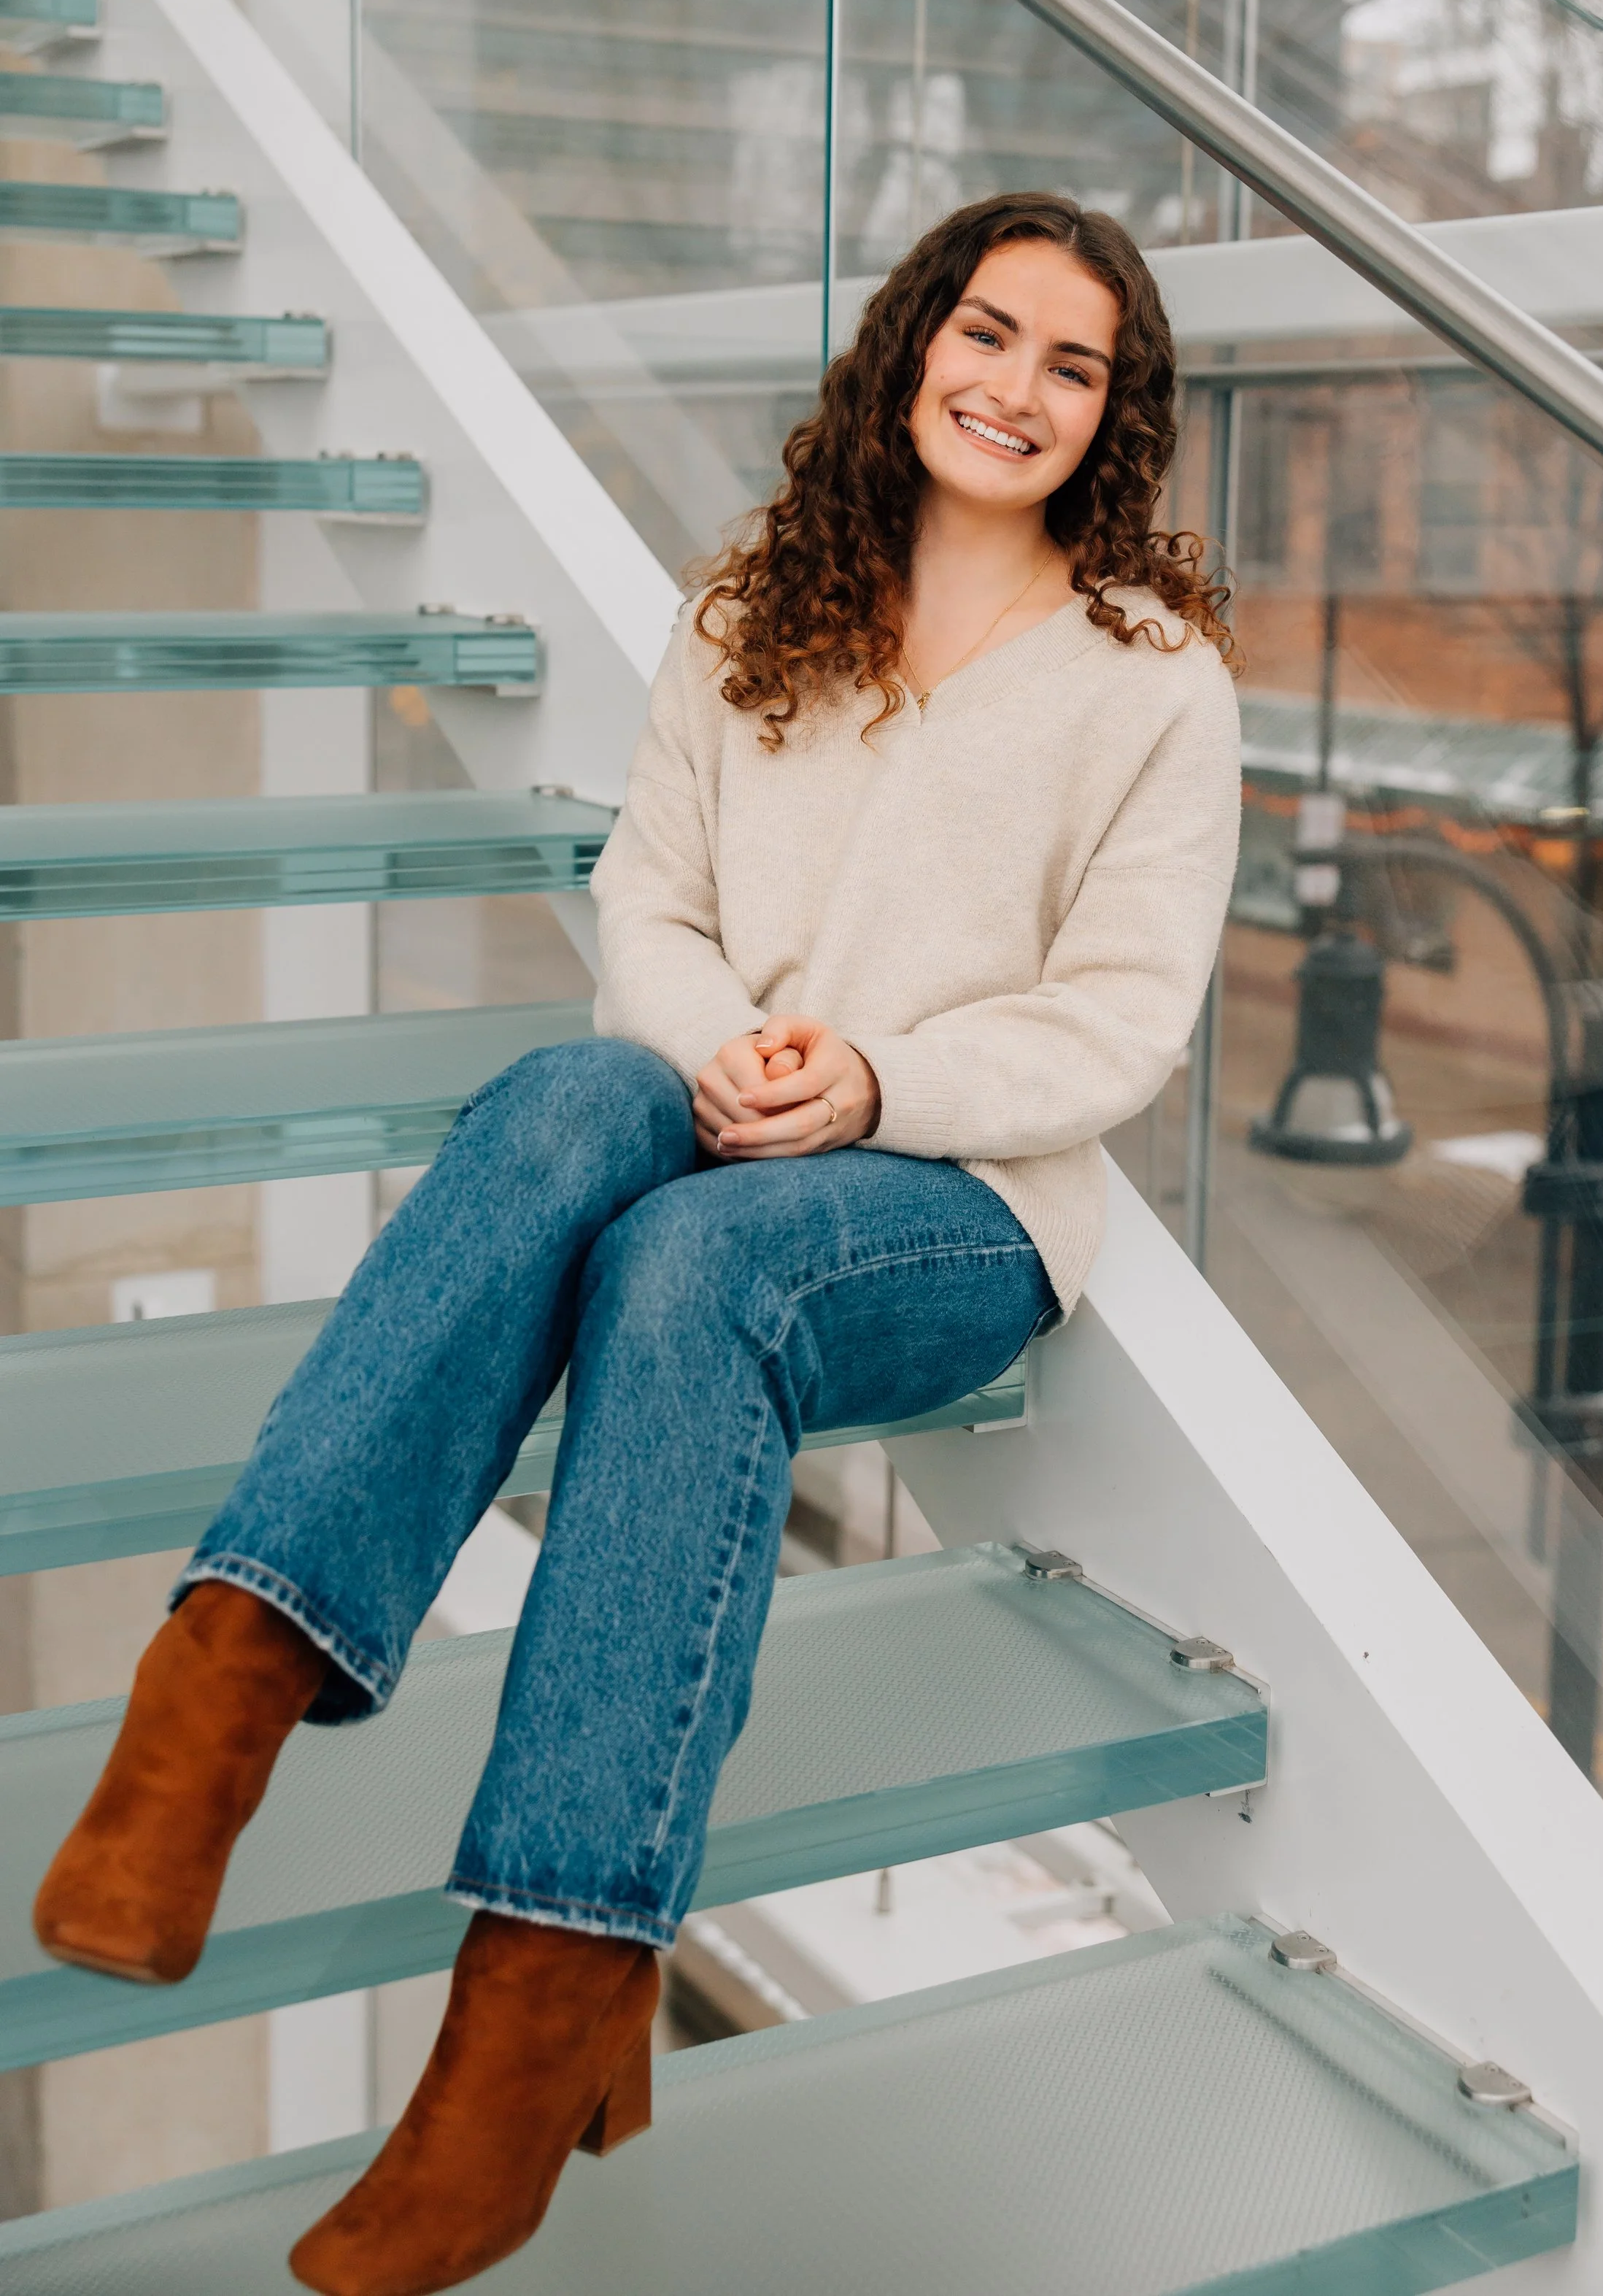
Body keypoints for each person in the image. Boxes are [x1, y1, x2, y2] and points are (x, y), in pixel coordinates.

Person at [31, 190, 1240, 2296]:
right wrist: (726, 1053)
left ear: (1113, 419)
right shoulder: (755, 604)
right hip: (714, 1105)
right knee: (561, 1095)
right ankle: (220, 1689)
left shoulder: (1148, 685)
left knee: (688, 1275)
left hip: (944, 1200)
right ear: (909, 343)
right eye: (988, 331)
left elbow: (1117, 1022)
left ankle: (540, 1988)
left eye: (1076, 364)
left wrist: (865, 1081)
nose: (1018, 387)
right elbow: (648, 908)